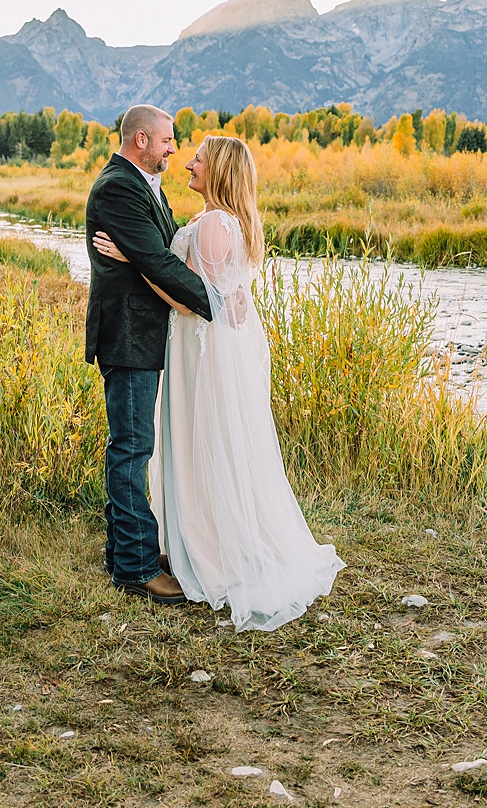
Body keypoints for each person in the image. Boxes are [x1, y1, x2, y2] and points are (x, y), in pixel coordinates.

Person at [93, 134, 344, 631]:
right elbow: (223, 296)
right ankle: (189, 540)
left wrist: (131, 259)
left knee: (201, 442)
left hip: (200, 351)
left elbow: (192, 300)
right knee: (199, 442)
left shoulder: (212, 225)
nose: (188, 162)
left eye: (199, 159)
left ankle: (208, 548)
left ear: (219, 170)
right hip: (197, 346)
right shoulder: (219, 221)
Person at [85, 105, 211, 604]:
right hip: (129, 335)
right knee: (132, 448)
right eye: (167, 140)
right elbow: (156, 258)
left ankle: (126, 548)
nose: (173, 149)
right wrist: (211, 301)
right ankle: (136, 568)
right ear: (141, 139)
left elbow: (154, 251)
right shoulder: (117, 186)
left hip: (142, 332)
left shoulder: (139, 183)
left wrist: (138, 256)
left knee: (135, 445)